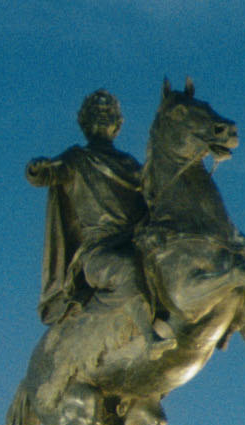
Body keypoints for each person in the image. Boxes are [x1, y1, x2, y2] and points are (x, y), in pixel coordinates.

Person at [27, 90, 172, 352]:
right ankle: (149, 338)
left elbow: (153, 198)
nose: (102, 119)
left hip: (134, 243)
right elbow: (48, 174)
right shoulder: (77, 158)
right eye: (96, 115)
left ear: (117, 124)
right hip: (98, 252)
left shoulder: (130, 164)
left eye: (108, 115)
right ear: (85, 123)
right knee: (127, 270)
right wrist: (37, 169)